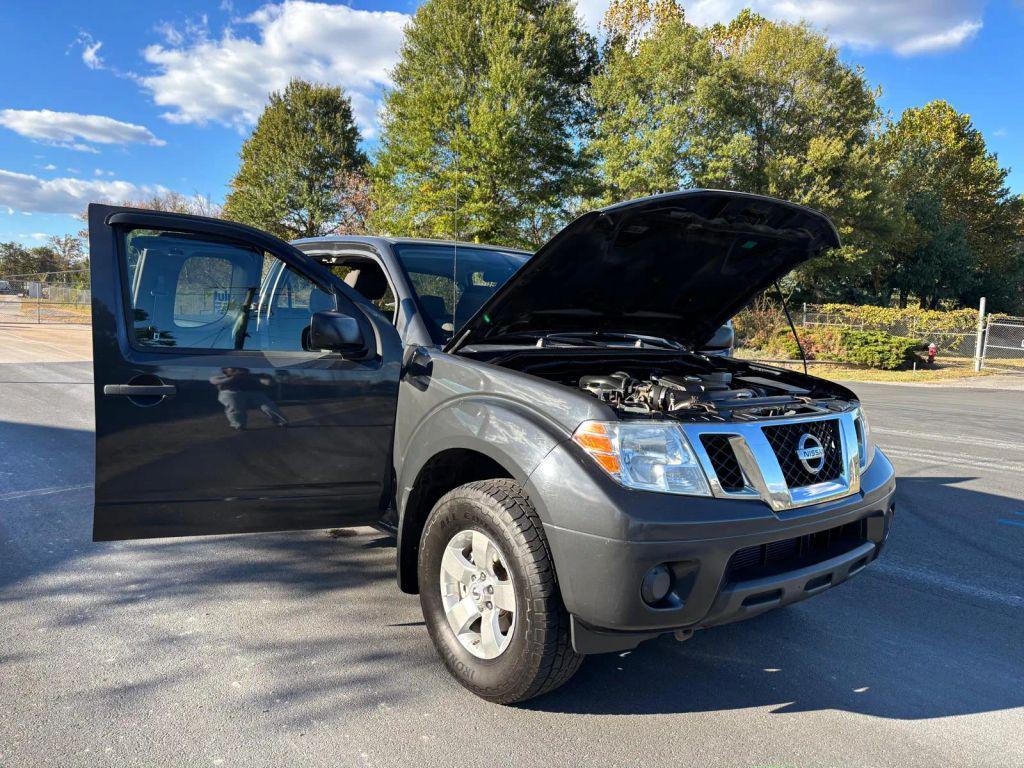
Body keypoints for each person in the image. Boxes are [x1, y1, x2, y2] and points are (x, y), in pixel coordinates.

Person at [209, 367, 288, 430]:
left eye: (242, 369)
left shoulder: (252, 377)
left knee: (268, 406)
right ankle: (238, 425)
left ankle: (281, 421)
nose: (239, 370)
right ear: (225, 371)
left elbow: (269, 383)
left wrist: (267, 377)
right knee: (235, 408)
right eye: (234, 369)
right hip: (232, 393)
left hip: (253, 393)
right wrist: (234, 377)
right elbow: (215, 381)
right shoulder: (219, 377)